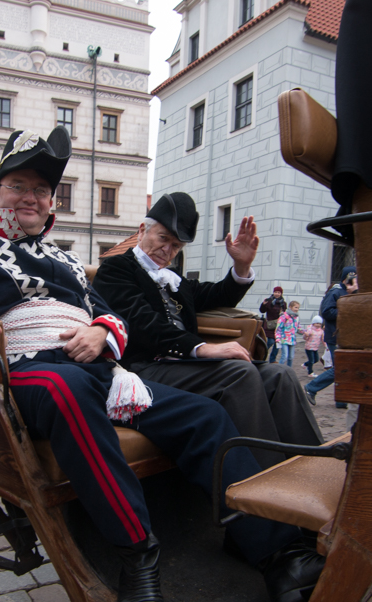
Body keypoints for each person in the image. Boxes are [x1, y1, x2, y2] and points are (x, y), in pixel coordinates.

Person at [0, 128, 324, 602]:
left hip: (101, 373)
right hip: (32, 371)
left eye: (40, 190)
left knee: (206, 418)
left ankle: (282, 555)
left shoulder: (65, 261)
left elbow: (112, 316)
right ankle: (137, 558)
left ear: (51, 203)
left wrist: (99, 330)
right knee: (66, 391)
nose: (30, 197)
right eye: (18, 186)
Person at [92, 192, 324, 466]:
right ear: (143, 230)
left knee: (280, 374)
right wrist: (203, 348)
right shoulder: (116, 269)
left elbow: (218, 295)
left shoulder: (174, 279)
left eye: (176, 246)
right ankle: (266, 482)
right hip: (142, 368)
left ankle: (315, 465)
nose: (168, 250)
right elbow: (141, 322)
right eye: (163, 238)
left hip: (184, 367)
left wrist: (242, 265)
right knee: (238, 373)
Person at [305, 267, 358, 407]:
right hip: (336, 336)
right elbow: (327, 312)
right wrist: (347, 310)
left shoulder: (352, 292)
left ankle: (341, 401)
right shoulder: (336, 292)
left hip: (347, 336)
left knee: (344, 369)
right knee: (341, 368)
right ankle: (311, 387)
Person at [260, 286, 286, 363]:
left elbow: (284, 313)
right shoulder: (269, 301)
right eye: (275, 292)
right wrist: (263, 304)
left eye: (278, 292)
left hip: (278, 326)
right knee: (270, 341)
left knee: (277, 344)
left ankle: (272, 359)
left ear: (281, 293)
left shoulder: (283, 303)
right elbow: (262, 311)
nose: (277, 294)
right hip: (269, 325)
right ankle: (261, 355)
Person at [274, 301, 301, 367]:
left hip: (292, 340)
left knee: (291, 357)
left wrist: (305, 332)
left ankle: (289, 370)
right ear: (290, 307)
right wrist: (277, 337)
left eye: (298, 308)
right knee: (284, 356)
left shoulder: (296, 318)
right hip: (284, 339)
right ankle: (279, 369)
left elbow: (298, 328)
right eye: (295, 307)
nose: (297, 309)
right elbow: (278, 328)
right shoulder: (284, 317)